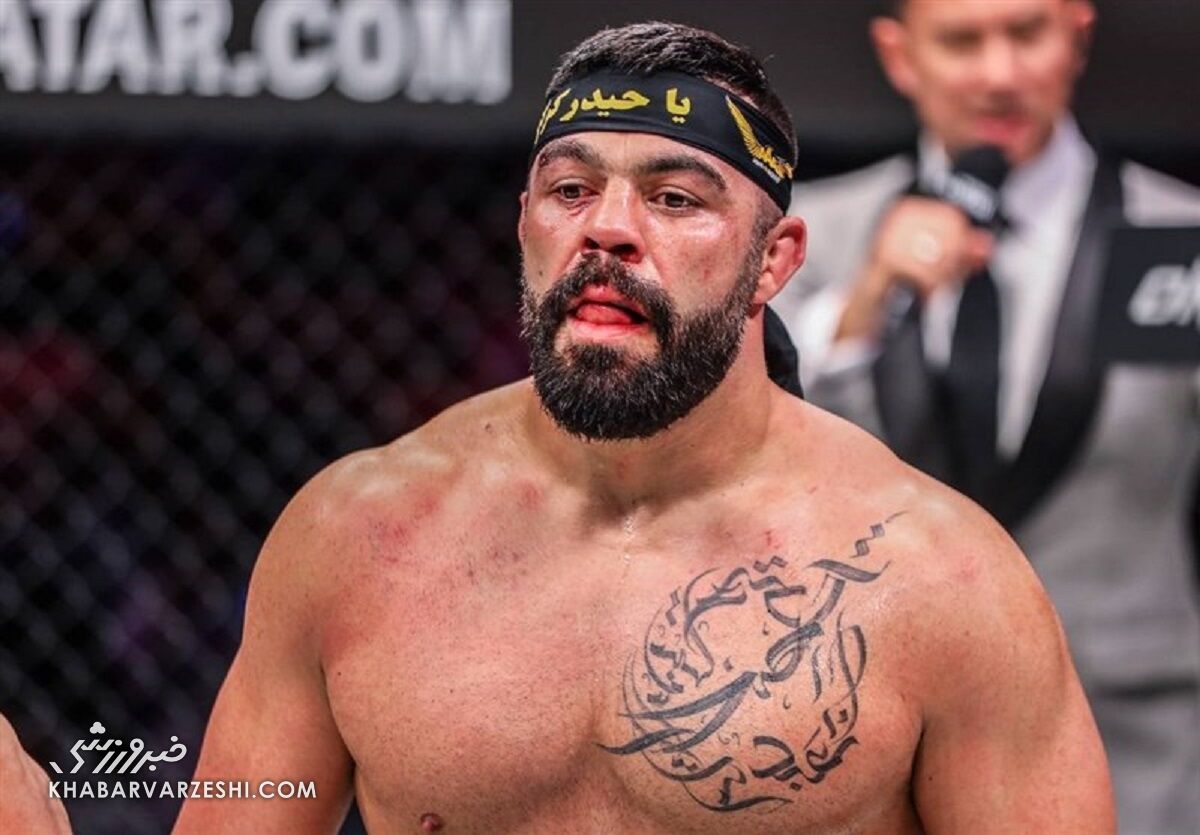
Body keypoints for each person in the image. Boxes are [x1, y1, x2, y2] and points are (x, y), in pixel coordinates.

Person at [4, 20, 1113, 834]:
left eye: (675, 198)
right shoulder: (357, 534)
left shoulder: (938, 580)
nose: (609, 230)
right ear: (526, 226)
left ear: (774, 260)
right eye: (571, 190)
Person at [768, 2, 1200, 833]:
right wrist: (862, 308)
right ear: (901, 57)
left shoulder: (1178, 238)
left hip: (1138, 739)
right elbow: (753, 461)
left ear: (1077, 36)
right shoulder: (811, 235)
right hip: (870, 741)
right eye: (963, 41)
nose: (1000, 74)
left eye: (1026, 33)